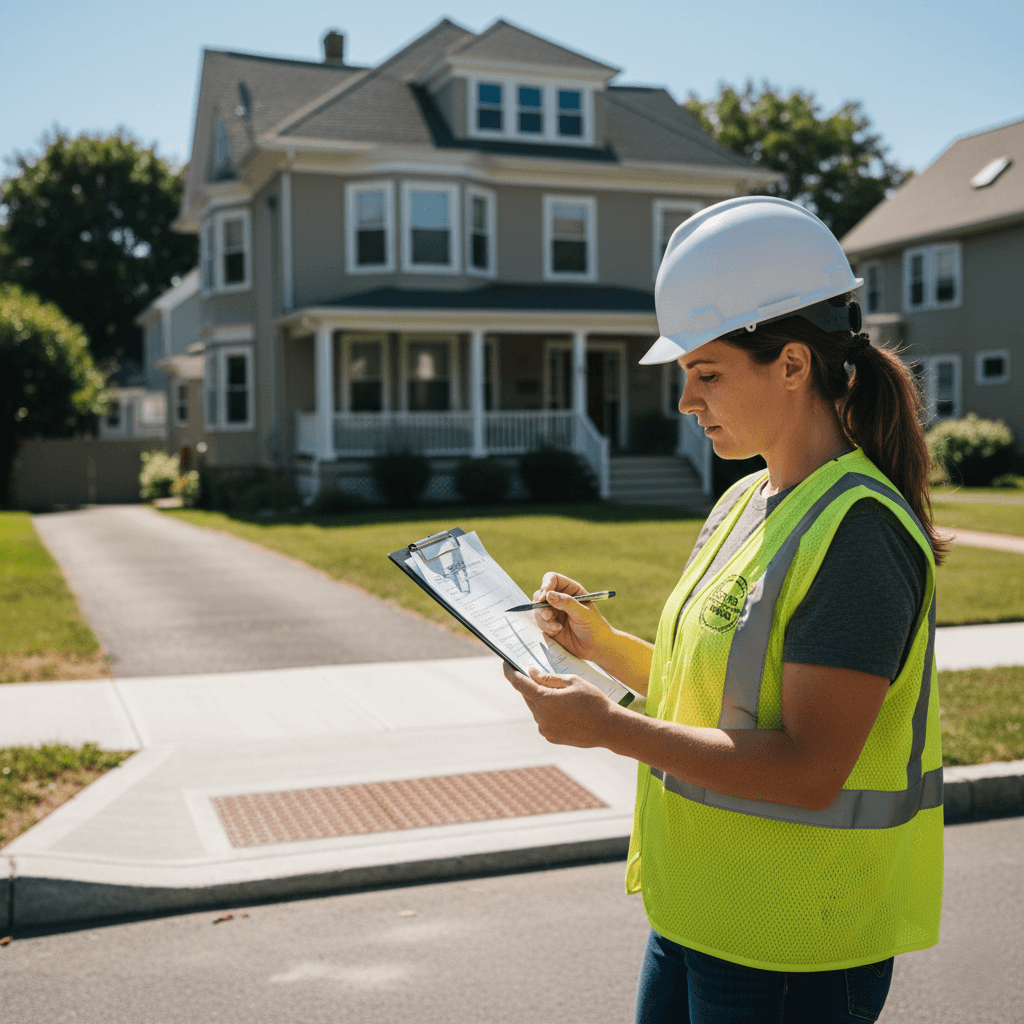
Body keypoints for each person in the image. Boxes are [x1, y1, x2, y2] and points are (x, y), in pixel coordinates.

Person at [503, 196, 945, 1024]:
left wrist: (609, 729)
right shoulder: (746, 499)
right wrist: (602, 645)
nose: (686, 401)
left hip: (793, 945)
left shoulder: (858, 533)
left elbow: (810, 769)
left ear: (792, 364)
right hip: (696, 917)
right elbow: (716, 689)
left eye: (706, 374)